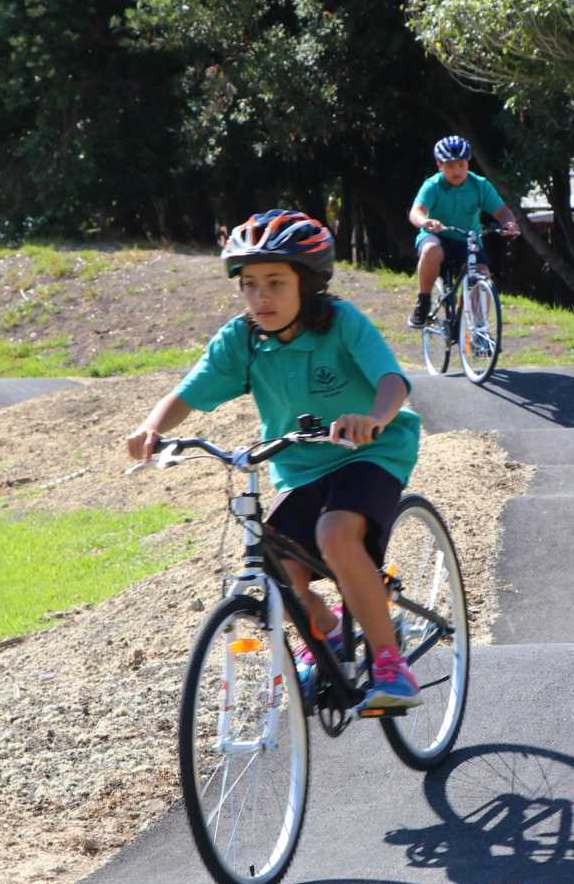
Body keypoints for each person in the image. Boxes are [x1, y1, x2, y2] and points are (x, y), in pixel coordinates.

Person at [127, 209, 423, 711]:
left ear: (307, 285)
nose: (260, 297)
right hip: (299, 466)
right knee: (279, 568)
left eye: (275, 283)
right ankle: (328, 637)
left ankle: (391, 664)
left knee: (335, 535)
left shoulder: (343, 323)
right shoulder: (241, 339)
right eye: (249, 284)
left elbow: (392, 383)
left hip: (371, 452)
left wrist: (372, 417)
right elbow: (189, 393)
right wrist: (153, 426)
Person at [407, 134, 522, 329]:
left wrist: (509, 223)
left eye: (461, 164)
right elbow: (416, 212)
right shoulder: (433, 186)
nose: (457, 171)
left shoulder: (480, 185)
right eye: (450, 166)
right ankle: (423, 301)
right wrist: (426, 222)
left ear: (468, 163)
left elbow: (502, 211)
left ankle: (478, 330)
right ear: (439, 166)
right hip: (437, 236)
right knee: (431, 250)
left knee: (482, 276)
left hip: (468, 239)